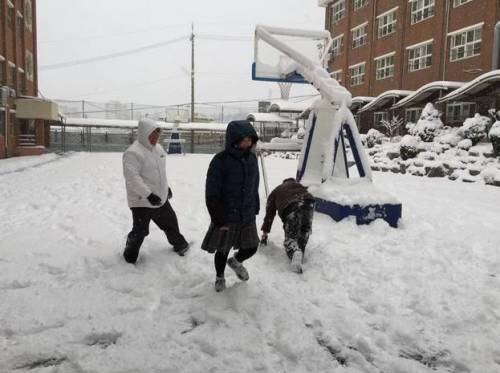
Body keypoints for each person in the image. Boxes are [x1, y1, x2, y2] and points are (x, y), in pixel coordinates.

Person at [202, 120, 260, 292]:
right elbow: (211, 192)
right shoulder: (220, 161)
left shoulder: (252, 158)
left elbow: (254, 184)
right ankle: (220, 277)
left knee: (252, 246)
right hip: (226, 214)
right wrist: (217, 216)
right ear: (234, 139)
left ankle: (236, 262)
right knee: (222, 250)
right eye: (244, 139)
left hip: (247, 212)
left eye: (250, 139)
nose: (248, 142)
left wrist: (255, 204)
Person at [122, 119, 189, 264]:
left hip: (159, 197)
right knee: (141, 231)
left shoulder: (158, 149)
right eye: (152, 134)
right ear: (144, 134)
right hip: (141, 201)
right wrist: (148, 195)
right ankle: (130, 256)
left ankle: (180, 245)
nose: (155, 137)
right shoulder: (132, 153)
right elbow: (132, 178)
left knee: (170, 222)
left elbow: (160, 173)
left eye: (157, 134)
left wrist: (166, 188)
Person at [260, 178, 315, 274]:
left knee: (290, 240)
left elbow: (269, 215)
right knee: (304, 232)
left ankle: (295, 253)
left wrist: (265, 234)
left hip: (292, 207)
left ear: (284, 182)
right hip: (309, 204)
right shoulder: (299, 186)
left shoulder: (276, 191)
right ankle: (299, 254)